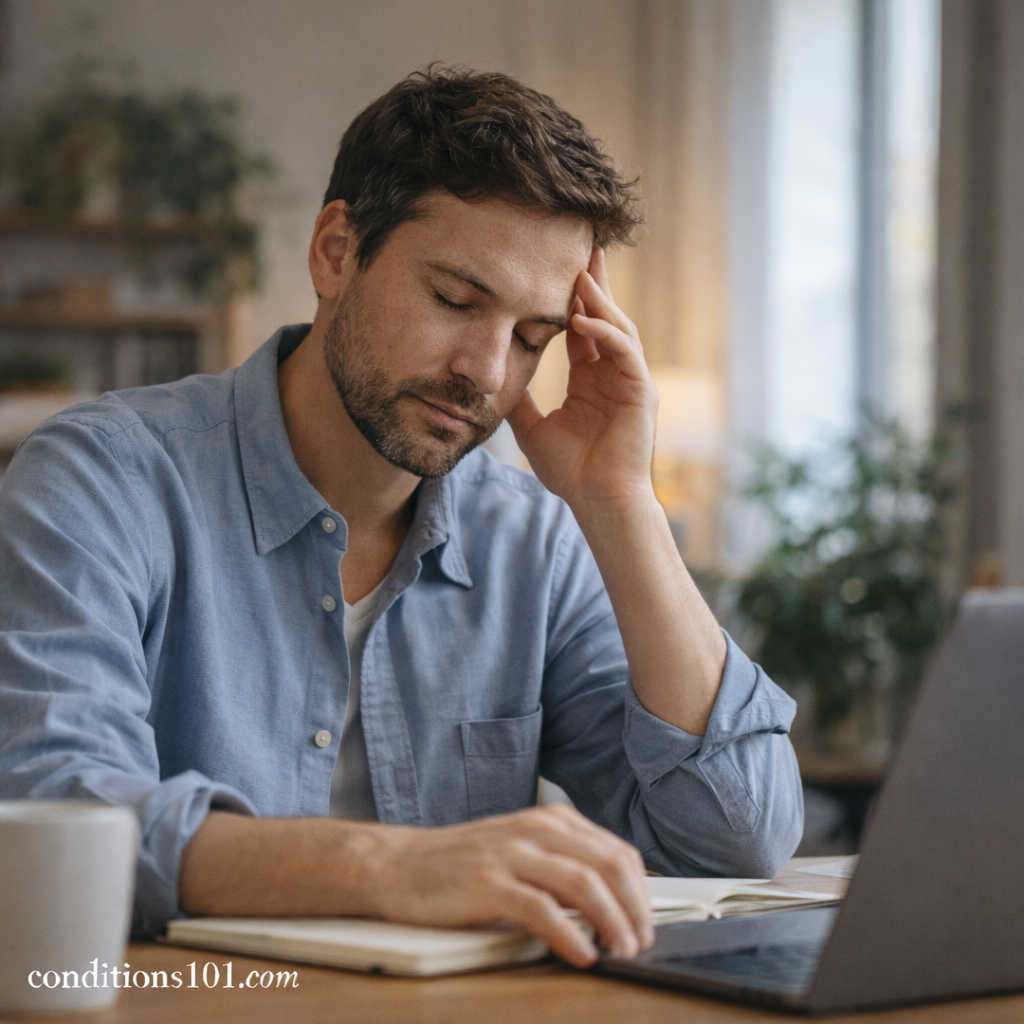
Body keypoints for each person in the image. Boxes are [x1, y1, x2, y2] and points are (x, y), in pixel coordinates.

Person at [0, 67, 802, 968]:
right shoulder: (101, 480)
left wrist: (621, 504)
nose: (487, 370)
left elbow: (736, 836)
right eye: (456, 301)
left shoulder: (537, 541)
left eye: (534, 337)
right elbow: (57, 816)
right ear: (336, 251)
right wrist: (396, 866)